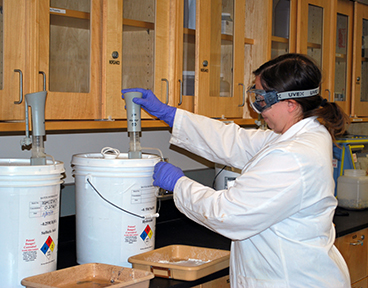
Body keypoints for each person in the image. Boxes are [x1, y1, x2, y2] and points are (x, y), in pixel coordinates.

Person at [122, 53, 351, 288]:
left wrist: (179, 184)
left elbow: (228, 214)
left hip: (291, 279)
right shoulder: (303, 136)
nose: (258, 109)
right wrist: (171, 116)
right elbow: (236, 141)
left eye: (262, 99)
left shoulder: (293, 155)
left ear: (291, 104)